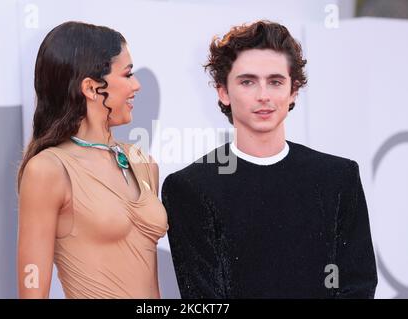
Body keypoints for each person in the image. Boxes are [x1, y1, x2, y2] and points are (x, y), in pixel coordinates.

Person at [161, 20, 377, 298]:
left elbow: (357, 284)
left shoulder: (338, 178)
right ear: (223, 92)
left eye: (275, 82)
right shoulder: (190, 188)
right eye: (248, 82)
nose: (263, 96)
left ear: (293, 90)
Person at [17, 21, 168, 299]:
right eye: (127, 74)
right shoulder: (48, 170)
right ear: (91, 88)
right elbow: (32, 286)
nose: (136, 85)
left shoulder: (142, 162)